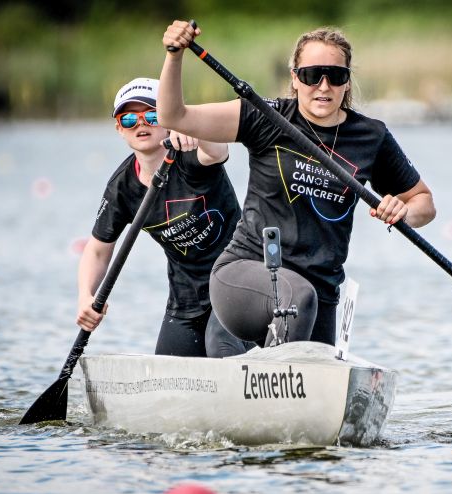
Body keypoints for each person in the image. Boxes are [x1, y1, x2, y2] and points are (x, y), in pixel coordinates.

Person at [159, 22, 436, 352]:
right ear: (294, 78)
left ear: (347, 81)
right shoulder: (267, 116)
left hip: (320, 294)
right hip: (246, 275)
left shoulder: (371, 136)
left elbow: (424, 203)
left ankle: (271, 368)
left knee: (306, 305)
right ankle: (273, 370)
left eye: (335, 76)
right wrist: (174, 56)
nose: (323, 86)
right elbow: (173, 116)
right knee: (298, 297)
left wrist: (404, 211)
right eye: (312, 75)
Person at [77, 77, 251, 357]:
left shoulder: (191, 155)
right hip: (186, 300)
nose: (141, 124)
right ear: (119, 129)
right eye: (129, 119)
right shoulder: (122, 189)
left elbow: (218, 152)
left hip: (235, 283)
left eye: (152, 115)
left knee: (220, 347)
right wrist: (85, 296)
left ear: (168, 119)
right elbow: (97, 251)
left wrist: (193, 128)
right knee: (167, 375)